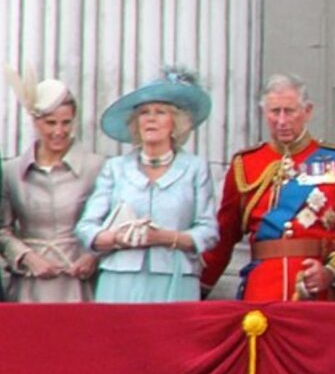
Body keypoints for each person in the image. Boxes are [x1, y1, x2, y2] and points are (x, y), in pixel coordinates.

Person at [200, 74, 335, 301]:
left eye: (290, 111)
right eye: (275, 112)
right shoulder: (246, 164)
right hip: (262, 288)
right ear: (265, 113)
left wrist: (331, 272)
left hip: (319, 290)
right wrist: (197, 287)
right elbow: (224, 236)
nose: (282, 121)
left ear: (308, 111)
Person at [75, 67, 219, 302]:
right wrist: (116, 238)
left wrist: (165, 237)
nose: (151, 118)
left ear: (176, 123)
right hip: (119, 279)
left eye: (160, 112)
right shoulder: (115, 168)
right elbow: (86, 227)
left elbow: (208, 231)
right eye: (144, 113)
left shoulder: (195, 169)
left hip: (175, 278)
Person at [0, 69, 105, 302]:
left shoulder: (96, 167)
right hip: (30, 284)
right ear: (35, 122)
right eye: (51, 123)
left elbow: (110, 223)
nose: (59, 131)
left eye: (66, 123)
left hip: (79, 283)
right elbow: (2, 230)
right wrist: (27, 257)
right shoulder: (11, 171)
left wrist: (92, 257)